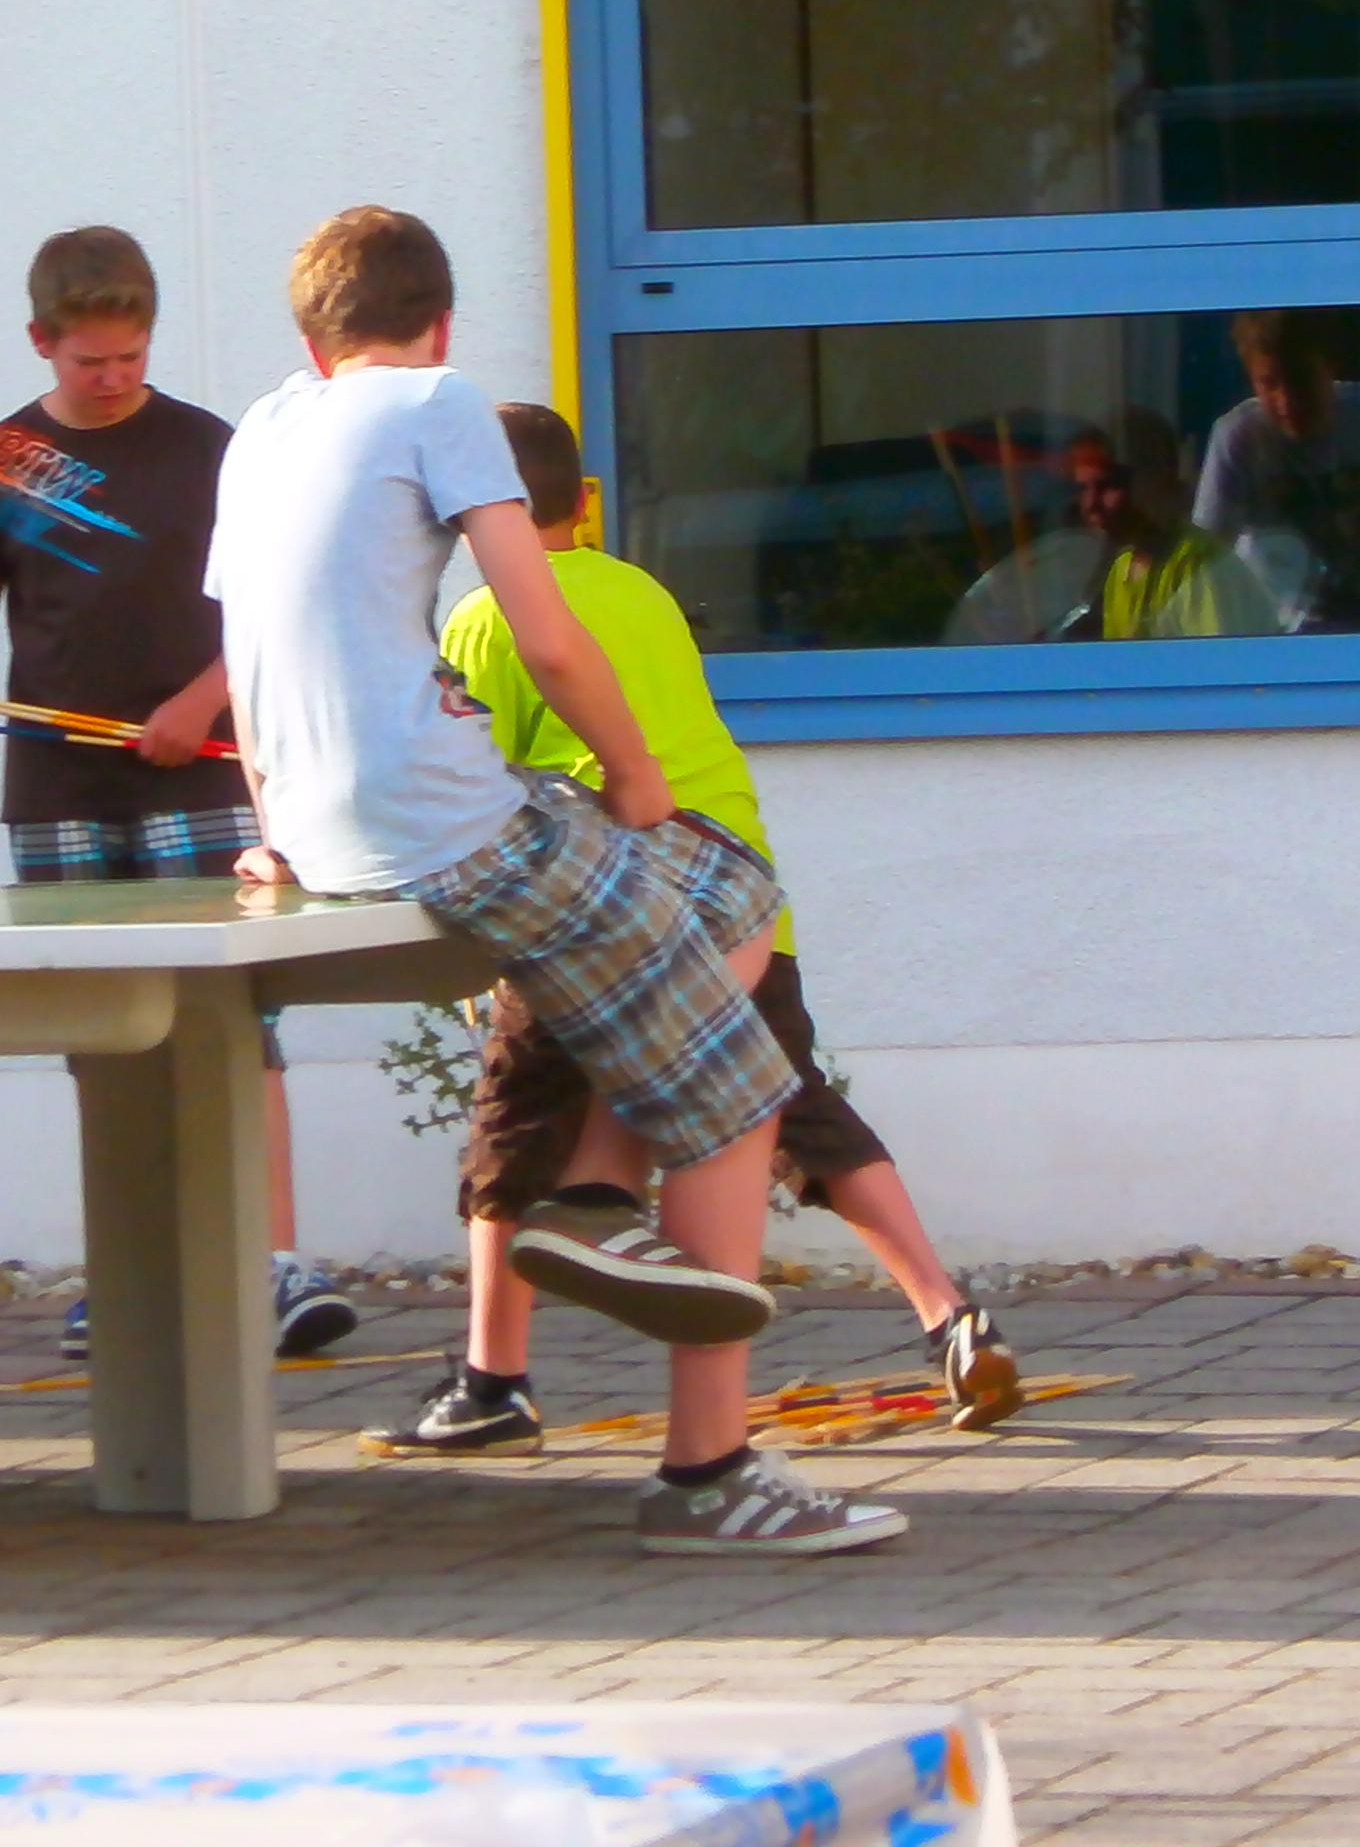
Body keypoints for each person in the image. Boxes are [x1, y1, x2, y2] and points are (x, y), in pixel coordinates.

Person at [209, 205, 904, 1557]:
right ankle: (709, 1471)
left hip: (315, 825)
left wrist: (278, 828)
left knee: (716, 908)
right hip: (450, 822)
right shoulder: (440, 400)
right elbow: (550, 631)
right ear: (441, 324)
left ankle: (592, 1197)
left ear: (313, 342)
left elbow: (247, 663)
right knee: (737, 1057)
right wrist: (634, 775)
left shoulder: (262, 430)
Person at [367, 401, 1020, 1459]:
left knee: (519, 1113)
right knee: (795, 1106)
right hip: (740, 885)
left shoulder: (489, 616)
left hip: (603, 899)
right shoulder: (646, 592)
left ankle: (495, 1378)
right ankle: (949, 1315)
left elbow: (476, 779)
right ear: (580, 499)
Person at [0, 224, 358, 1363]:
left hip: (204, 778)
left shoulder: (211, 447)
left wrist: (202, 701)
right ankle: (130, 1275)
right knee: (104, 1037)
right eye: (88, 360)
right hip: (57, 785)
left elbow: (269, 611)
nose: (112, 378)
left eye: (130, 357)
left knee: (236, 1022)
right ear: (40, 341)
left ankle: (273, 1262)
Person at [1193, 311, 1360, 630]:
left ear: (1330, 366)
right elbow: (1206, 558)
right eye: (1269, 384)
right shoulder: (1237, 438)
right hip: (1274, 624)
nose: (1287, 401)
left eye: (1301, 380)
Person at [1065, 412, 1274, 641]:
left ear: (1156, 481)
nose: (1091, 505)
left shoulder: (1197, 565)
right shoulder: (1120, 570)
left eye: (1109, 486)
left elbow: (1216, 659)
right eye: (1082, 488)